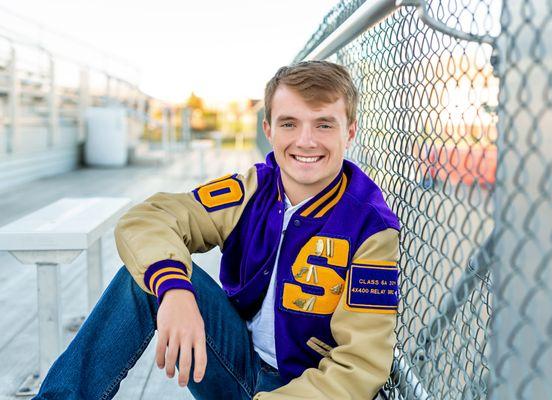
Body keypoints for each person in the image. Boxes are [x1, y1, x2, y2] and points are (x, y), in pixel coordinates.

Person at [34, 60, 400, 400]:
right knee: (148, 278)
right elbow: (149, 218)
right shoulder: (253, 190)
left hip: (304, 387)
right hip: (234, 361)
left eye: (323, 123)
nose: (305, 140)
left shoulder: (371, 227)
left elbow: (360, 365)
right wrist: (175, 290)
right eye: (290, 123)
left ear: (349, 131)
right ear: (269, 130)